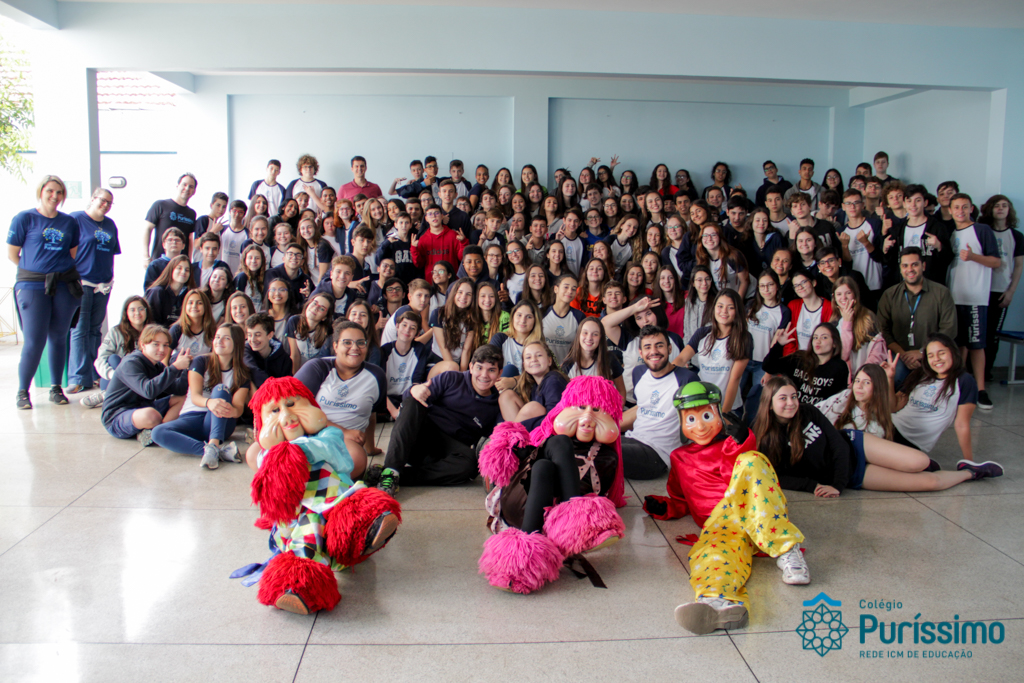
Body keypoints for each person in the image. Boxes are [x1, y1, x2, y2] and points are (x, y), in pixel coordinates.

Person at [641, 380, 808, 635]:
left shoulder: (732, 447)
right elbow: (682, 499)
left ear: (719, 414)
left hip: (755, 513)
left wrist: (742, 443)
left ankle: (786, 547)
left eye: (707, 416)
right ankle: (717, 602)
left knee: (752, 461)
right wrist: (664, 507)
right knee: (712, 552)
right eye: (691, 419)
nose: (700, 426)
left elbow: (741, 476)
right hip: (720, 525)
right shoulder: (679, 457)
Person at [240, 375, 401, 615]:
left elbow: (342, 462)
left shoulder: (328, 435)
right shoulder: (267, 454)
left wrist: (300, 447)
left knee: (337, 512)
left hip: (335, 510)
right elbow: (273, 492)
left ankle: (364, 532)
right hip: (296, 521)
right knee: (309, 528)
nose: (286, 415)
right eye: (274, 410)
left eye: (292, 404)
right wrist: (280, 451)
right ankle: (298, 587)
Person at [477, 376, 626, 594]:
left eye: (596, 409)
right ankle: (574, 520)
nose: (587, 417)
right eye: (581, 407)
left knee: (544, 468)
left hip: (543, 517)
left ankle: (524, 559)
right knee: (557, 444)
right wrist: (509, 444)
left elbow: (595, 490)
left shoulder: (607, 458)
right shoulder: (548, 434)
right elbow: (518, 448)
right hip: (522, 501)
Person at [756, 373, 998, 498]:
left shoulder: (807, 411)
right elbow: (778, 477)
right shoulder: (767, 440)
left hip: (855, 446)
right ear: (768, 404)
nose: (791, 403)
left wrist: (836, 485)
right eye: (783, 398)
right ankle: (970, 472)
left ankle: (913, 464)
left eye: (793, 396)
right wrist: (817, 486)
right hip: (855, 474)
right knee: (931, 483)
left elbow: (837, 443)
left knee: (920, 462)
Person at [375, 344, 503, 494]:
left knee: (470, 464)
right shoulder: (452, 378)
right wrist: (413, 390)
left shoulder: (496, 404)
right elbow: (410, 402)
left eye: (491, 370)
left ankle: (394, 476)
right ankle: (391, 470)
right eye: (479, 368)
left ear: (500, 373)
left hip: (448, 451)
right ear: (471, 367)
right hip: (416, 438)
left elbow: (492, 442)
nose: (484, 375)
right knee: (413, 401)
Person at [8, 175, 83, 409]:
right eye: (50, 191)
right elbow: (13, 255)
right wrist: (38, 272)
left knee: (59, 337)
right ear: (41, 192)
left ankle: (55, 388)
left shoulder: (69, 222)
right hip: (32, 286)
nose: (55, 196)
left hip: (63, 286)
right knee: (34, 340)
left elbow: (71, 254)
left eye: (59, 192)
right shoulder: (24, 218)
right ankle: (23, 391)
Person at [152, 323, 252, 469]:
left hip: (221, 422)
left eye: (226, 338)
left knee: (220, 389)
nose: (219, 341)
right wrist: (210, 403)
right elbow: (195, 397)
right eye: (217, 337)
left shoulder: (242, 373)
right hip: (191, 417)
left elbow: (238, 409)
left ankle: (214, 443)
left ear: (236, 343)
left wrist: (228, 408)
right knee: (158, 432)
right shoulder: (201, 361)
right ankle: (214, 451)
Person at [892, 334, 989, 468]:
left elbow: (961, 424)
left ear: (953, 352)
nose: (936, 359)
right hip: (889, 427)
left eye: (941, 353)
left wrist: (969, 461)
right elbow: (893, 407)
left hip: (911, 443)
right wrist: (888, 378)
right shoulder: (920, 374)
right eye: (930, 356)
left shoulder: (964, 381)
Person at [620, 325, 698, 479]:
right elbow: (641, 410)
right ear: (641, 353)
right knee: (589, 442)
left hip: (658, 454)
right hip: (633, 438)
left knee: (602, 451)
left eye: (659, 345)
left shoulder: (687, 379)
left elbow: (699, 423)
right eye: (647, 347)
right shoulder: (639, 373)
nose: (653, 351)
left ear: (669, 349)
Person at [946, 193, 1001, 409]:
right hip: (954, 297)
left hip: (975, 298)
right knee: (958, 344)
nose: (960, 211)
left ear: (971, 209)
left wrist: (974, 257)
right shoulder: (951, 233)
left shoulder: (981, 230)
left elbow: (996, 261)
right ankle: (958, 388)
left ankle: (980, 389)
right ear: (950, 210)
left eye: (964, 207)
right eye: (956, 207)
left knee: (976, 345)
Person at [878, 247, 958, 384]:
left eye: (914, 264)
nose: (910, 269)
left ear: (923, 266)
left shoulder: (941, 293)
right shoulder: (889, 295)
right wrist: (904, 355)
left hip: (933, 355)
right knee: (893, 377)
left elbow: (949, 330)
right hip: (900, 356)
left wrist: (923, 352)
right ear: (901, 269)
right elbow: (882, 330)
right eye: (905, 265)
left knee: (937, 384)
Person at [67, 188, 120, 394]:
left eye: (109, 202)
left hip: (103, 285)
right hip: (82, 283)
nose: (105, 205)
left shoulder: (110, 225)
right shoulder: (76, 220)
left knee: (95, 329)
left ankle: (94, 372)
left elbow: (112, 253)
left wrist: (110, 279)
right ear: (93, 199)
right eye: (103, 200)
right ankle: (78, 377)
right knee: (80, 329)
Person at [101, 324, 190, 445]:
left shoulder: (157, 366)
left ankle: (159, 432)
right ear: (143, 344)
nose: (162, 349)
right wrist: (174, 368)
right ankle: (154, 431)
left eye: (165, 345)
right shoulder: (131, 363)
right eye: (156, 344)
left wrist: (186, 368)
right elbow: (148, 391)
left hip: (143, 408)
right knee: (150, 415)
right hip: (117, 416)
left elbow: (179, 389)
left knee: (182, 399)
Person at [673, 290, 752, 416]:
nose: (724, 311)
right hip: (701, 403)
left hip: (729, 406)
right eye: (720, 306)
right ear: (714, 308)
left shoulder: (744, 338)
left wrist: (724, 414)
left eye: (730, 307)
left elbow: (735, 379)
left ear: (737, 311)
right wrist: (665, 377)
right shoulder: (702, 333)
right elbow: (681, 359)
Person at [980, 195, 1024, 382]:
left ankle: (987, 371)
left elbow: (1019, 265)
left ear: (1009, 210)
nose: (1001, 209)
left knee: (992, 335)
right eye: (997, 205)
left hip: (1001, 291)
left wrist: (1011, 292)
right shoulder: (983, 231)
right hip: (980, 289)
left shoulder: (1016, 236)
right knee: (977, 333)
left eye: (1004, 206)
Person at [84, 295, 153, 409]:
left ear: (147, 311)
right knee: (113, 359)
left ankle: (108, 396)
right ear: (126, 313)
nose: (137, 313)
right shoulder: (116, 332)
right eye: (132, 310)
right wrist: (113, 374)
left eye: (141, 309)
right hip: (116, 378)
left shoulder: (153, 332)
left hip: (141, 378)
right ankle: (112, 394)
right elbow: (100, 359)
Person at [763, 322, 848, 405]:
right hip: (793, 411)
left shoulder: (840, 367)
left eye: (824, 337)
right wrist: (779, 345)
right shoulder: (799, 358)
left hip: (818, 416)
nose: (818, 341)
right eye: (815, 337)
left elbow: (838, 400)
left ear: (835, 343)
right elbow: (769, 366)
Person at [379, 310, 440, 420]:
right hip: (387, 399)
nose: (407, 330)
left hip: (408, 396)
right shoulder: (385, 351)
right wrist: (393, 411)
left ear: (417, 333)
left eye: (412, 328)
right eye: (404, 325)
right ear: (397, 326)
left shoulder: (419, 350)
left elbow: (417, 380)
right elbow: (380, 385)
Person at [498, 340, 569, 432]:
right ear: (524, 365)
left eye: (539, 355)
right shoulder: (534, 385)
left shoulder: (554, 379)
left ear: (549, 361)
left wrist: (520, 425)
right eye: (528, 357)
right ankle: (515, 436)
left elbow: (555, 417)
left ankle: (510, 437)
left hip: (553, 431)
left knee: (533, 407)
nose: (534, 359)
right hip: (537, 429)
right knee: (506, 396)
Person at [831, 276, 886, 376]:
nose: (843, 298)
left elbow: (877, 352)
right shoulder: (833, 322)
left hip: (866, 375)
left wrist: (863, 373)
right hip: (844, 378)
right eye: (839, 294)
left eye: (848, 293)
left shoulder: (868, 317)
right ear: (834, 297)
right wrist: (847, 322)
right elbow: (842, 355)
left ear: (855, 295)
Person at [560, 317, 626, 398]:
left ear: (601, 338)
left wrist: (617, 410)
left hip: (605, 410)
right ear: (578, 335)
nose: (589, 338)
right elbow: (563, 399)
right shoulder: (567, 365)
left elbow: (621, 392)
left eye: (595, 334)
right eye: (585, 333)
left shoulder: (610, 359)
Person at [143, 173, 197, 264]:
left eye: (191, 186)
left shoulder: (192, 213)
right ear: (177, 186)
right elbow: (147, 229)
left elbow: (190, 238)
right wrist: (146, 257)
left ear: (194, 191)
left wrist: (189, 261)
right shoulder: (161, 205)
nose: (187, 188)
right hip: (160, 261)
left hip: (181, 265)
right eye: (184, 184)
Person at [784, 270, 833, 354]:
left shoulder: (830, 307)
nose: (800, 287)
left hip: (819, 359)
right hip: (797, 359)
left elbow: (831, 339)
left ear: (813, 283)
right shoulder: (793, 305)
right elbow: (789, 337)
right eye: (796, 285)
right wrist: (792, 359)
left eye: (803, 282)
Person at [286, 293, 334, 373]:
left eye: (322, 309)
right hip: (298, 370)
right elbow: (294, 355)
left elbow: (324, 360)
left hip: (317, 372)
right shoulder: (294, 321)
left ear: (325, 317)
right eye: (314, 303)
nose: (315, 308)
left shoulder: (328, 330)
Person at [243, 312, 292, 389]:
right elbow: (252, 369)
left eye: (258, 335)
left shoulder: (284, 359)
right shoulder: (245, 351)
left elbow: (286, 386)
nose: (252, 340)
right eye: (249, 335)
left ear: (270, 335)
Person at [169, 289, 216, 361]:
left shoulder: (212, 330)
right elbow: (164, 360)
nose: (194, 306)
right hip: (179, 370)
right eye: (190, 303)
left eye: (199, 303)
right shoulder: (177, 329)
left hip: (202, 370)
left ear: (206, 307)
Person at [234, 244, 267, 311]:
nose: (253, 261)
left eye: (257, 258)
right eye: (250, 258)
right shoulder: (242, 277)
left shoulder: (263, 278)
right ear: (245, 260)